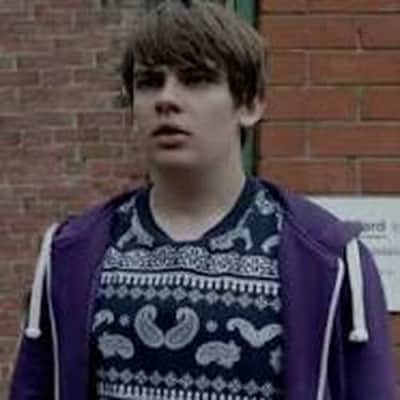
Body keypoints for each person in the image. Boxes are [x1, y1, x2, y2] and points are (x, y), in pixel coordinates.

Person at [9, 1, 397, 399]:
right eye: (149, 82)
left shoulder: (329, 260)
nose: (166, 98)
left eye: (195, 79)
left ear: (250, 104)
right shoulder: (71, 255)